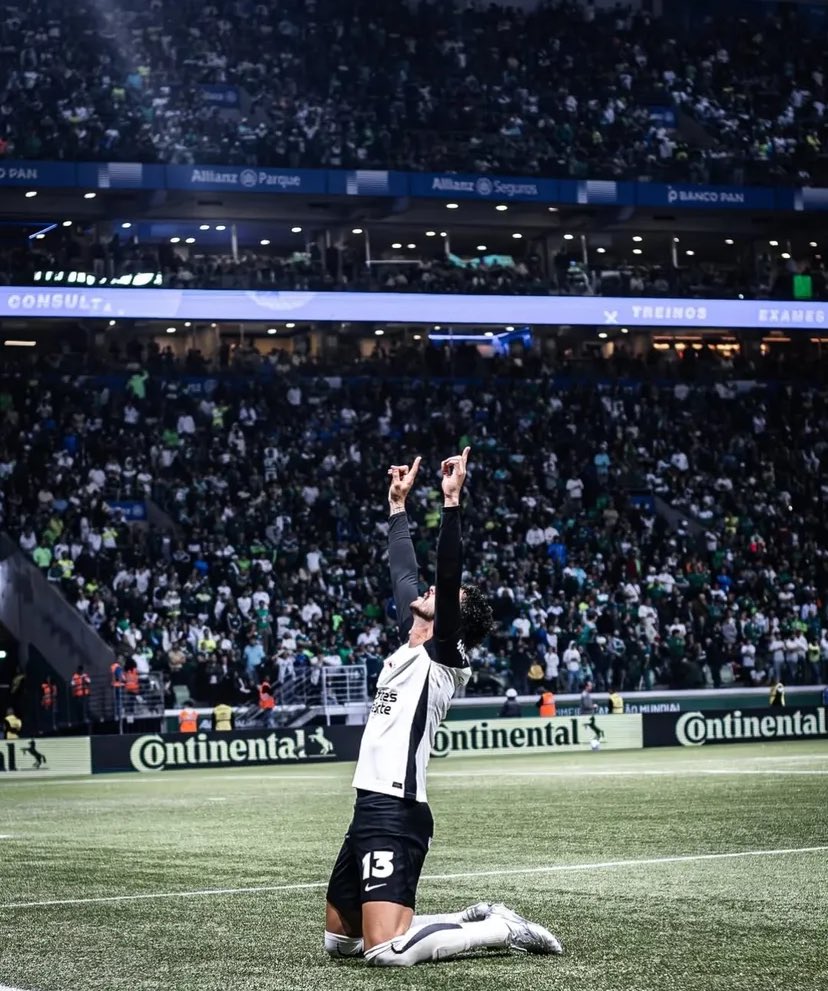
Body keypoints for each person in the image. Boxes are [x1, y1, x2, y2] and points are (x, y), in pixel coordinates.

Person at [325, 449, 562, 967]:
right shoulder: (411, 645)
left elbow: (444, 576)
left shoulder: (445, 656)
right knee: (339, 943)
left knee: (385, 951)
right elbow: (403, 574)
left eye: (441, 592)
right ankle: (464, 918)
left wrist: (451, 501)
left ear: (451, 613)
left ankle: (497, 927)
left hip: (397, 808)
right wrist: (397, 508)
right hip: (367, 805)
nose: (429, 589)